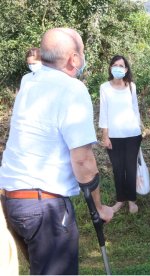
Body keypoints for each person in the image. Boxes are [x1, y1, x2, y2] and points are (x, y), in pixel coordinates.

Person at [0, 28, 113, 274]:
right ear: (74, 58)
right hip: (44, 206)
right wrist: (99, 207)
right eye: (81, 52)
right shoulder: (72, 90)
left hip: (10, 200)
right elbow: (83, 161)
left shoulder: (28, 81)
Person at [99, 55, 142, 214]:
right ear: (111, 68)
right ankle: (120, 199)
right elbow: (104, 113)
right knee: (118, 169)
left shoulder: (131, 86)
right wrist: (105, 135)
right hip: (114, 136)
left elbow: (135, 109)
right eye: (115, 64)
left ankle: (131, 200)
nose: (118, 67)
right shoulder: (104, 87)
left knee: (131, 168)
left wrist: (139, 129)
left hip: (132, 134)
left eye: (121, 65)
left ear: (126, 69)